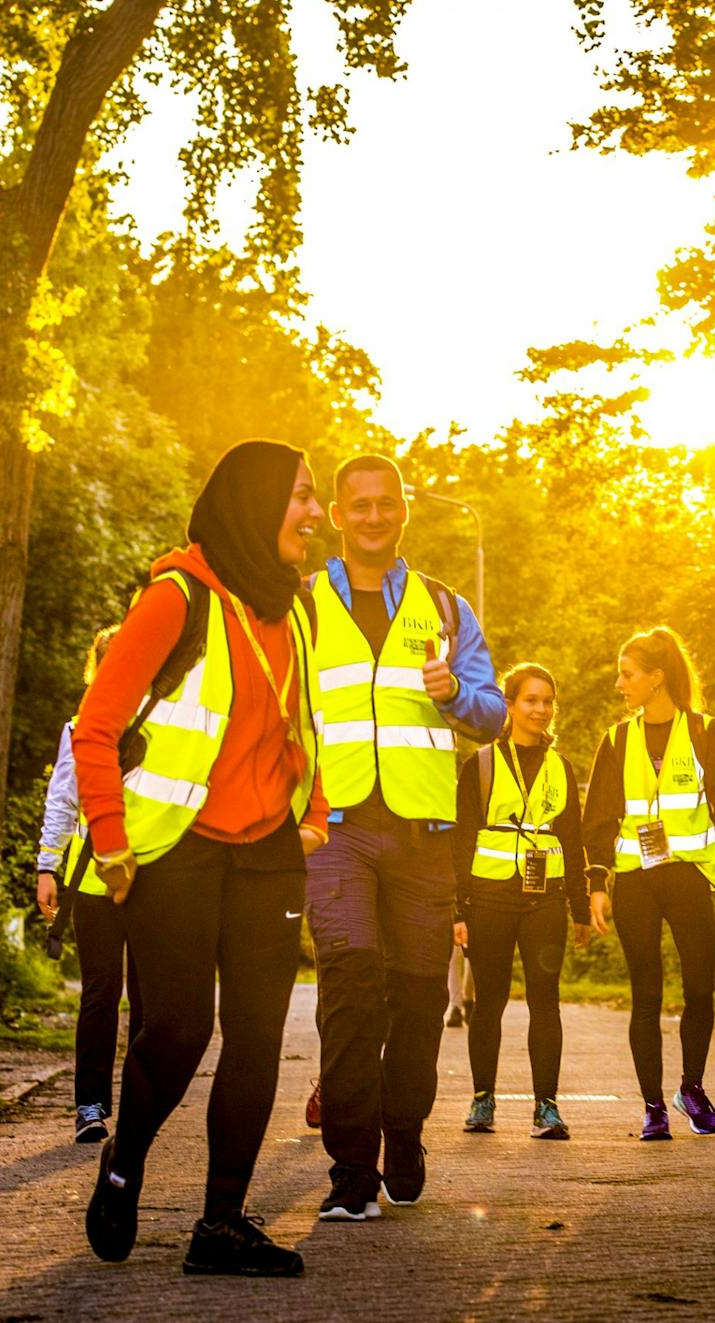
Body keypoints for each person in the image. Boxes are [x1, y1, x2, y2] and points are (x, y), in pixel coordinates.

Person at [75, 439, 327, 1277]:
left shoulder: (292, 607)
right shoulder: (176, 598)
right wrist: (109, 840)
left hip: (268, 857)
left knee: (257, 1038)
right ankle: (124, 1161)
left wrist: (315, 811)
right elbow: (97, 726)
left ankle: (221, 1223)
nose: (315, 513)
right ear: (254, 503)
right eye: (300, 495)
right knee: (178, 1032)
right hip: (178, 853)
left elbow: (302, 725)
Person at [305, 454, 504, 1223]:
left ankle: (404, 1129)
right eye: (359, 505)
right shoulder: (301, 606)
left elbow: (491, 712)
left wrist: (456, 693)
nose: (374, 516)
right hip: (338, 832)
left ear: (404, 512)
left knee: (420, 999)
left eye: (386, 504)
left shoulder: (445, 608)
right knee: (350, 985)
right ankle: (351, 1168)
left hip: (423, 835)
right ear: (335, 511)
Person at [582, 627, 715, 1141]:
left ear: (656, 679)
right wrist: (596, 883)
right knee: (646, 995)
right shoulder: (615, 739)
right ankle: (653, 1107)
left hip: (689, 876)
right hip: (635, 881)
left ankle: (692, 1090)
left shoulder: (705, 731)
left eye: (628, 674)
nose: (619, 684)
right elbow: (597, 820)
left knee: (700, 988)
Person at [453, 662, 591, 1139]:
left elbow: (572, 842)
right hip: (489, 899)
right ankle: (482, 1101)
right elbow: (462, 837)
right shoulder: (482, 763)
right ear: (509, 706)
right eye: (531, 700)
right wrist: (458, 909)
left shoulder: (561, 768)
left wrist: (580, 907)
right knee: (487, 1002)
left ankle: (546, 1107)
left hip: (544, 901)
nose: (540, 709)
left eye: (547, 701)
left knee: (544, 1002)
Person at [35, 627, 142, 1145]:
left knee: (152, 1001)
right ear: (96, 669)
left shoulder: (168, 727)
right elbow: (61, 802)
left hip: (156, 883)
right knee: (101, 994)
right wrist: (46, 868)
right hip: (94, 884)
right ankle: (91, 1107)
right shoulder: (79, 729)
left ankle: (144, 1104)